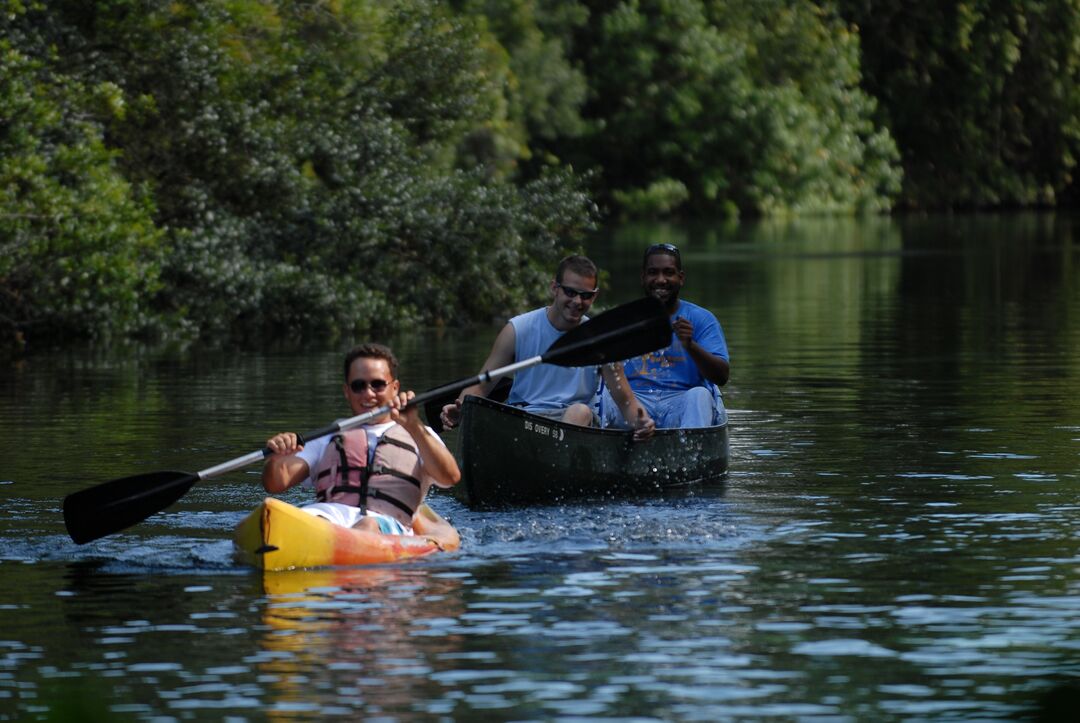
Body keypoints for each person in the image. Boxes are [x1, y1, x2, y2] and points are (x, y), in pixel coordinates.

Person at [440, 255, 655, 440]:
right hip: (524, 419)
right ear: (555, 288)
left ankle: (560, 470)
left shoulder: (601, 340)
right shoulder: (518, 329)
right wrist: (461, 407)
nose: (577, 301)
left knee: (579, 411)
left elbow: (625, 400)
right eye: (570, 292)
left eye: (586, 295)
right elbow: (482, 386)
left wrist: (642, 421)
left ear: (594, 296)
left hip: (575, 422)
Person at [262, 343, 461, 536]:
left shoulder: (420, 433)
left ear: (394, 387)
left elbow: (450, 478)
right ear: (346, 391)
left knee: (368, 524)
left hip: (388, 524)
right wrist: (277, 458)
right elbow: (276, 484)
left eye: (378, 384)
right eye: (358, 386)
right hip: (329, 516)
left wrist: (413, 425)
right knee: (306, 517)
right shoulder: (327, 436)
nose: (368, 393)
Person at [599, 242, 729, 429]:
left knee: (700, 395)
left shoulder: (701, 319)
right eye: (653, 272)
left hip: (681, 402)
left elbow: (722, 376)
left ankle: (690, 455)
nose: (661, 280)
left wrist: (690, 345)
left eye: (668, 272)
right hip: (634, 404)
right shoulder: (622, 320)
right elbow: (606, 374)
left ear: (681, 278)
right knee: (606, 395)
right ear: (643, 278)